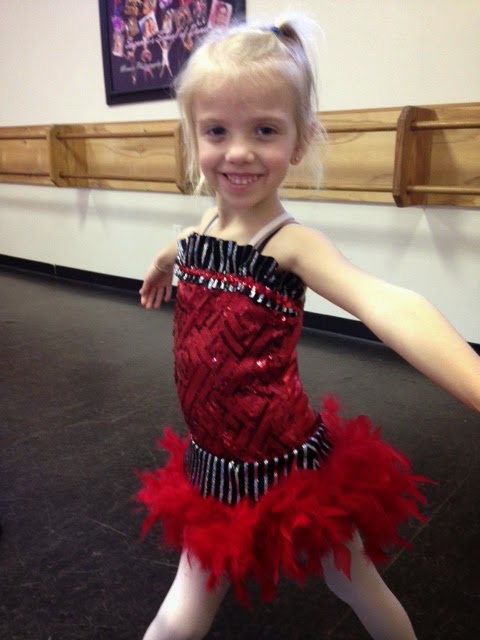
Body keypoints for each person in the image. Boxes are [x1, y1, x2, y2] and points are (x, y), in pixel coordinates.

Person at [135, 15, 480, 640]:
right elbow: (178, 245)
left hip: (292, 471)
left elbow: (387, 303)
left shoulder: (291, 245)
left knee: (354, 581)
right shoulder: (199, 233)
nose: (239, 151)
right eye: (217, 130)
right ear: (193, 136)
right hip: (211, 468)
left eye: (265, 130)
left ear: (299, 142)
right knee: (178, 618)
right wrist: (161, 266)